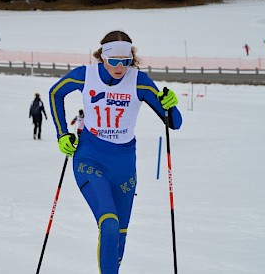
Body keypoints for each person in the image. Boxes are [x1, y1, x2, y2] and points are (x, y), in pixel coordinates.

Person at [49, 30, 182, 274]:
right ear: (103, 57)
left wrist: (170, 105)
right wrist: (62, 134)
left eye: (125, 61)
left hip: (123, 164)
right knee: (109, 224)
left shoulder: (139, 81)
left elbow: (174, 122)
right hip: (90, 156)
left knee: (119, 237)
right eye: (113, 61)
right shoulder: (85, 75)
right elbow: (55, 93)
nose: (119, 67)